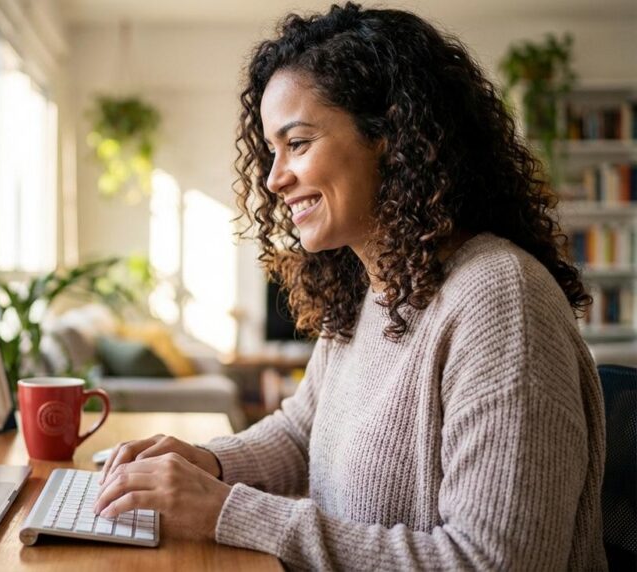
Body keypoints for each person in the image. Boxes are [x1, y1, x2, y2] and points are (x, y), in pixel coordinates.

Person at [93, 3, 607, 569]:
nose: (274, 178)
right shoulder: (375, 288)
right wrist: (207, 463)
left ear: (389, 135)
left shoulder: (500, 298)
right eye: (270, 151)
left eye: (298, 143)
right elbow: (301, 431)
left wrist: (228, 510)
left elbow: (492, 561)